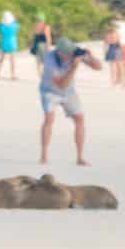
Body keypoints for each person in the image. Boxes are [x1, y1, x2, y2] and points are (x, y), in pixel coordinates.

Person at [38, 36, 101, 167]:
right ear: (60, 52)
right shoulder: (50, 59)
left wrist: (91, 57)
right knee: (49, 119)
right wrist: (74, 67)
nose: (70, 55)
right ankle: (44, 156)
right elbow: (61, 84)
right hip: (50, 91)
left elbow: (98, 67)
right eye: (68, 53)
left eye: (71, 52)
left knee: (79, 119)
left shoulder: (75, 53)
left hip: (68, 92)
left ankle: (80, 157)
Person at [0, 9, 19, 80]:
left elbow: (0, 26)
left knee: (1, 59)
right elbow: (17, 26)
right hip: (12, 43)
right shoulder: (14, 26)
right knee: (12, 60)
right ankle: (13, 75)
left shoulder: (2, 26)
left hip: (4, 43)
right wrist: (14, 19)